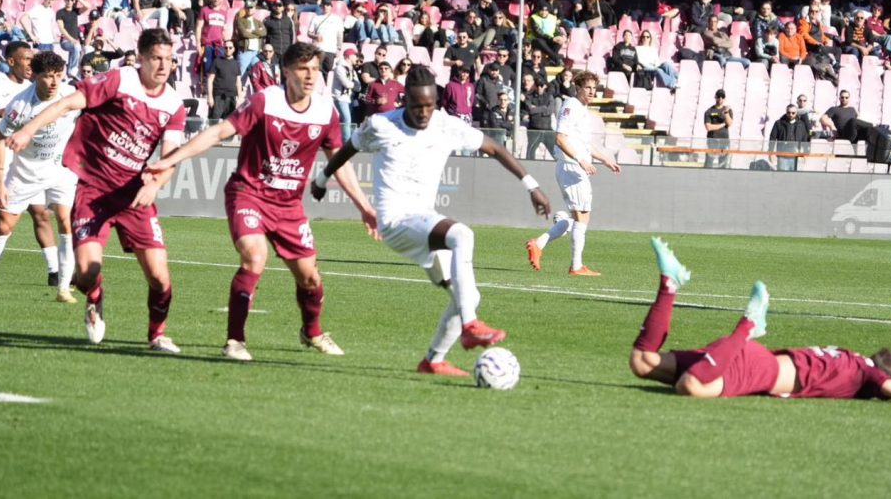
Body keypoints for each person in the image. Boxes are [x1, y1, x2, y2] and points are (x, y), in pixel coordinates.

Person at [314, 65, 551, 376]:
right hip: (396, 221)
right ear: (404, 102)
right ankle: (470, 326)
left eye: (428, 105)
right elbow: (346, 150)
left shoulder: (446, 125)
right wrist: (321, 179)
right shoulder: (382, 125)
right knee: (462, 235)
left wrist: (532, 186)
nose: (423, 112)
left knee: (468, 295)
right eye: (416, 106)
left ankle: (433, 360)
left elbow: (494, 148)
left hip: (424, 222)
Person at [147, 43, 376, 361]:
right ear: (286, 71)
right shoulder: (265, 101)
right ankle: (234, 341)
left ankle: (312, 332)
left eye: (314, 69)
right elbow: (218, 133)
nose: (310, 76)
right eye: (302, 69)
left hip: (288, 206)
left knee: (310, 277)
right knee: (255, 257)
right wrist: (172, 157)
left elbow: (338, 162)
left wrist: (364, 206)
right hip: (248, 194)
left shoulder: (326, 112)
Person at [628, 237, 891, 410]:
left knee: (643, 362)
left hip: (747, 358)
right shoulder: (867, 375)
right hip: (759, 369)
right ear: (887, 379)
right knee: (690, 387)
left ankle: (670, 285)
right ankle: (748, 325)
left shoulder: (850, 358)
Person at [4, 29, 187, 351]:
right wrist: (28, 130)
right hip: (94, 190)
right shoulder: (119, 81)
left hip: (134, 196)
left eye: (169, 59)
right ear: (141, 59)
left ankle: (157, 335)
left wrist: (156, 183)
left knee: (160, 278)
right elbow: (67, 104)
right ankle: (95, 294)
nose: (163, 65)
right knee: (86, 274)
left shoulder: (174, 103)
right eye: (156, 58)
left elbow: (171, 155)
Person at [0, 52, 78, 302]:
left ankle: (64, 287)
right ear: (35, 77)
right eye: (48, 76)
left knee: (66, 221)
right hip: (25, 172)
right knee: (4, 226)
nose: (54, 82)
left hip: (60, 168)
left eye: (58, 75)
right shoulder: (19, 105)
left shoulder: (71, 96)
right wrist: (0, 182)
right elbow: (0, 142)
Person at [526, 71, 620, 277]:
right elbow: (560, 138)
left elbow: (584, 144)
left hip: (573, 166)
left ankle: (538, 244)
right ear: (578, 88)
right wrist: (581, 160)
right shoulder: (571, 106)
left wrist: (604, 159)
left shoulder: (582, 110)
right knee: (582, 217)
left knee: (576, 219)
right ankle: (576, 267)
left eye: (595, 89)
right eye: (588, 88)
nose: (592, 92)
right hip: (571, 166)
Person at [207, 42, 242, 122]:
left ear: (234, 49)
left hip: (231, 97)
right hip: (218, 96)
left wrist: (240, 97)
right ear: (223, 49)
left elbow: (238, 82)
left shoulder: (236, 64)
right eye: (226, 47)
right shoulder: (217, 61)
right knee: (213, 122)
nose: (228, 49)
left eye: (230, 47)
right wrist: (210, 97)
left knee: (229, 124)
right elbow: (210, 80)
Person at [769, 104, 809, 171]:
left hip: (796, 156)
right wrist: (771, 153)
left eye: (793, 113)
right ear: (786, 112)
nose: (791, 114)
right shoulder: (779, 123)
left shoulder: (801, 124)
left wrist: (805, 154)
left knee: (794, 178)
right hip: (782, 155)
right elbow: (772, 138)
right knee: (782, 176)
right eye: (788, 112)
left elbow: (805, 140)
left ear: (796, 113)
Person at [703, 89, 733, 168]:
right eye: (718, 96)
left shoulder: (728, 110)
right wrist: (723, 124)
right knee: (709, 164)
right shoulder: (709, 111)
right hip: (712, 141)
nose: (720, 98)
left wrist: (726, 113)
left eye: (722, 97)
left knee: (723, 164)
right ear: (715, 97)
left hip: (724, 141)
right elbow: (708, 127)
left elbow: (729, 123)